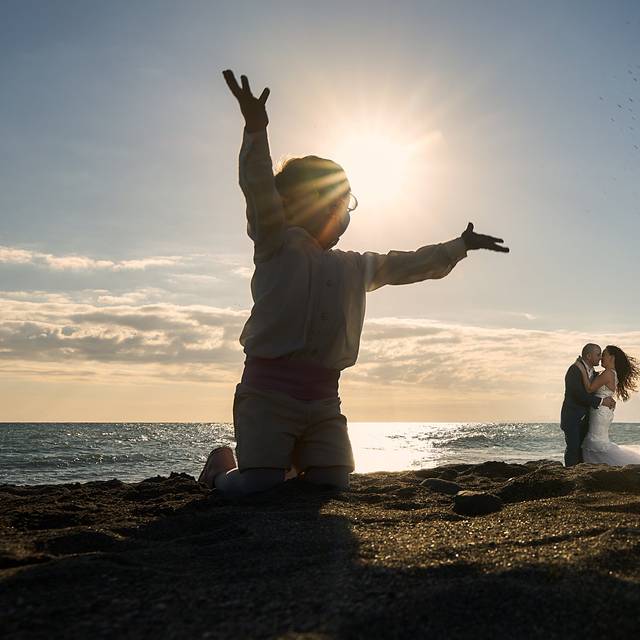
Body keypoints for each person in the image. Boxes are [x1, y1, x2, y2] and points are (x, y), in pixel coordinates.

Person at [199, 70, 509, 496]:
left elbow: (409, 265)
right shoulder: (276, 242)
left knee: (333, 481)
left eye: (348, 205)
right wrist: (256, 128)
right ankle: (220, 468)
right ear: (295, 202)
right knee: (258, 484)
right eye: (336, 203)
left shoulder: (355, 266)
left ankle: (288, 462)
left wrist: (459, 245)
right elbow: (257, 188)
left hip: (325, 400)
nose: (343, 215)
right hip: (266, 395)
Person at [577, 345, 640, 465]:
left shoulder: (608, 373)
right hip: (603, 411)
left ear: (612, 358)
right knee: (599, 439)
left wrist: (581, 368)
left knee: (596, 441)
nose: (602, 358)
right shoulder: (611, 373)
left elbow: (589, 388)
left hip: (600, 412)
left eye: (604, 355)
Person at [561, 344, 616, 466]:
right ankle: (569, 474)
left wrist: (609, 398)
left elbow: (600, 387)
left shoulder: (594, 373)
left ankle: (579, 474)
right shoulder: (574, 370)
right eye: (598, 355)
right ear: (589, 356)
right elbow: (578, 395)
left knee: (582, 449)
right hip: (572, 417)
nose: (600, 357)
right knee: (573, 447)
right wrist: (602, 401)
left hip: (587, 418)